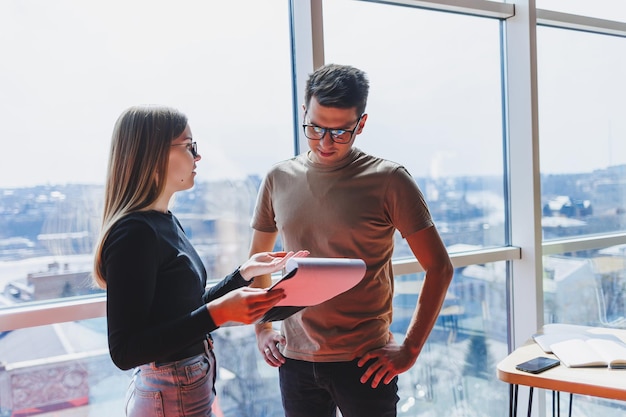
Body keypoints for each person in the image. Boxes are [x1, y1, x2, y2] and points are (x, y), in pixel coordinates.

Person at [249, 64, 454, 417]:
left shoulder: (389, 180)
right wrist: (263, 328)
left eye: (341, 131)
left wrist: (411, 348)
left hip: (366, 362)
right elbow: (257, 263)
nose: (326, 142)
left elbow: (439, 267)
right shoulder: (278, 179)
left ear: (361, 123)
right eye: (315, 127)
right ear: (304, 113)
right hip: (295, 359)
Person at [92, 105, 307, 417]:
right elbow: (125, 351)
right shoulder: (134, 234)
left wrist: (243, 275)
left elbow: (185, 312)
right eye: (189, 146)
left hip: (183, 387)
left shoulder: (163, 221)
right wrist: (218, 313)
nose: (198, 156)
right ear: (153, 154)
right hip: (170, 394)